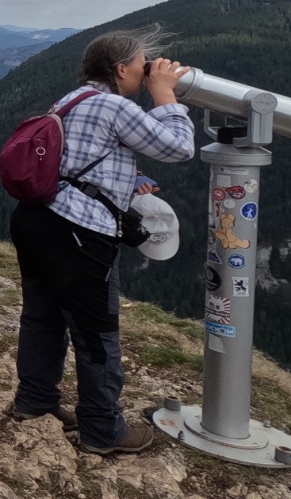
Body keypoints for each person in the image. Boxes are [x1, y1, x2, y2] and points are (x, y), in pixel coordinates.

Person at [11, 30, 194, 456]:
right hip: (77, 231)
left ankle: (35, 402)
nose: (146, 71)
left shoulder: (71, 98)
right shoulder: (113, 104)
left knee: (43, 317)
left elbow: (87, 160)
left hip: (36, 218)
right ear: (120, 69)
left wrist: (130, 181)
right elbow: (179, 148)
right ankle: (102, 428)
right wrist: (165, 94)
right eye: (142, 64)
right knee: (96, 332)